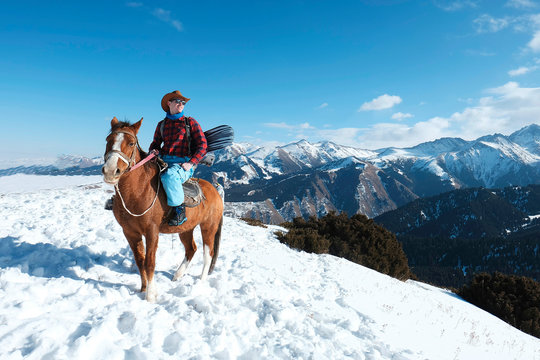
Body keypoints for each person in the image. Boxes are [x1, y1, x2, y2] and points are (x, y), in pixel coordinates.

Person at [149, 90, 208, 226]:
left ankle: (179, 210)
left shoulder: (190, 122)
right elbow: (155, 143)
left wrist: (191, 163)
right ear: (169, 103)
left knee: (169, 177)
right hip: (163, 161)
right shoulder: (162, 125)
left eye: (183, 102)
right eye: (178, 101)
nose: (181, 104)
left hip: (182, 164)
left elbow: (203, 145)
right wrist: (153, 150)